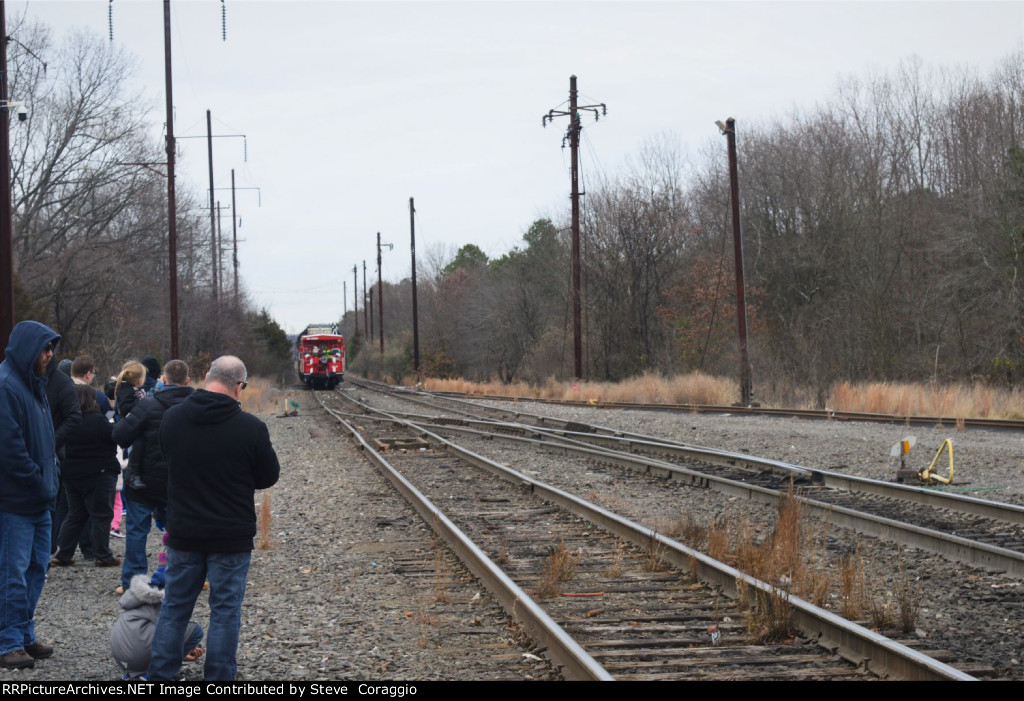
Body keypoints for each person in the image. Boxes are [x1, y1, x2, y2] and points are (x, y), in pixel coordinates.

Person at [147, 356, 279, 681]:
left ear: (207, 377)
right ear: (239, 387)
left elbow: (168, 460)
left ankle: (160, 675)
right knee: (225, 611)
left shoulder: (172, 419)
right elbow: (268, 476)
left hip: (184, 533)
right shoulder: (251, 428)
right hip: (230, 537)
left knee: (176, 607)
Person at [0, 321, 61, 670]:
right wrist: (39, 482)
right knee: (13, 571)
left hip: (38, 501)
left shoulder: (33, 385)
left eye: (51, 348)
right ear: (27, 348)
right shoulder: (6, 385)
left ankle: (23, 633)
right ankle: (7, 641)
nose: (49, 354)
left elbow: (45, 441)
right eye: (44, 348)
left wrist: (52, 476)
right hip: (16, 503)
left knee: (37, 568)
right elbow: (10, 449)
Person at [112, 360, 194, 594]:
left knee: (137, 531)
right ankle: (182, 576)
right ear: (187, 381)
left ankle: (133, 581)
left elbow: (120, 435)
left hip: (144, 481)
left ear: (163, 380)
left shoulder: (147, 406)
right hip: (182, 483)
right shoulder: (197, 407)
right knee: (181, 531)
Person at [50, 385, 121, 568]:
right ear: (92, 400)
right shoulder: (99, 421)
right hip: (99, 473)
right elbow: (116, 437)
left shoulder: (69, 422)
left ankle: (63, 553)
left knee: (75, 515)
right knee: (101, 515)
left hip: (72, 474)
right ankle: (103, 555)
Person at [110, 572, 203, 680]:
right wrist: (180, 652)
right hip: (139, 655)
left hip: (123, 659)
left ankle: (135, 673)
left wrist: (182, 654)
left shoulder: (135, 596)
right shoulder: (161, 598)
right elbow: (171, 631)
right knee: (195, 631)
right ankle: (158, 672)